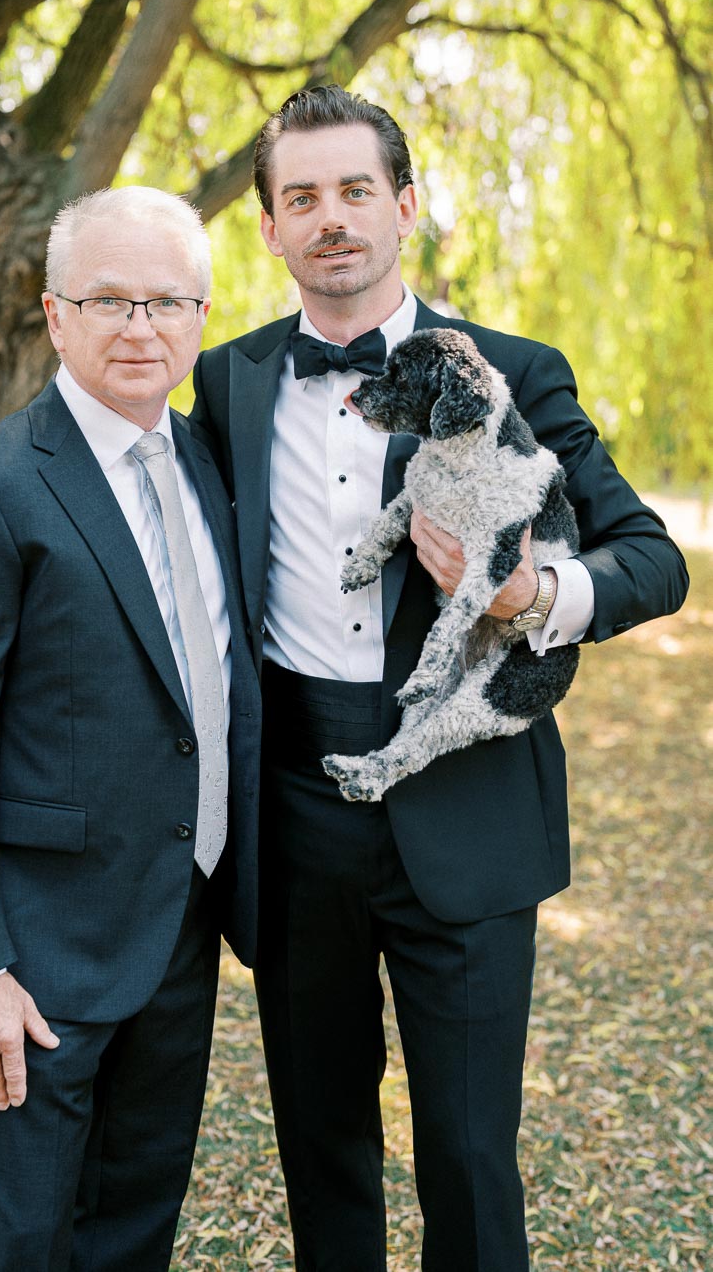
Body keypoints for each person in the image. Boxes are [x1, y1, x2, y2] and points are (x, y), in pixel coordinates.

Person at [190, 86, 688, 1272]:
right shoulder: (226, 382)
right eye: (303, 196)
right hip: (295, 807)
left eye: (356, 190)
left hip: (468, 799)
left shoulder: (514, 370)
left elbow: (652, 559)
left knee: (467, 1154)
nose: (332, 217)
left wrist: (531, 595)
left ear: (405, 206)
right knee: (321, 1144)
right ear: (269, 226)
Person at [0, 185, 261, 1272]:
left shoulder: (212, 468)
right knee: (23, 1235)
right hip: (40, 949)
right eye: (109, 301)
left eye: (166, 301)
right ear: (57, 316)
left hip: (182, 921)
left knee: (137, 1222)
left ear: (200, 317)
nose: (141, 327)